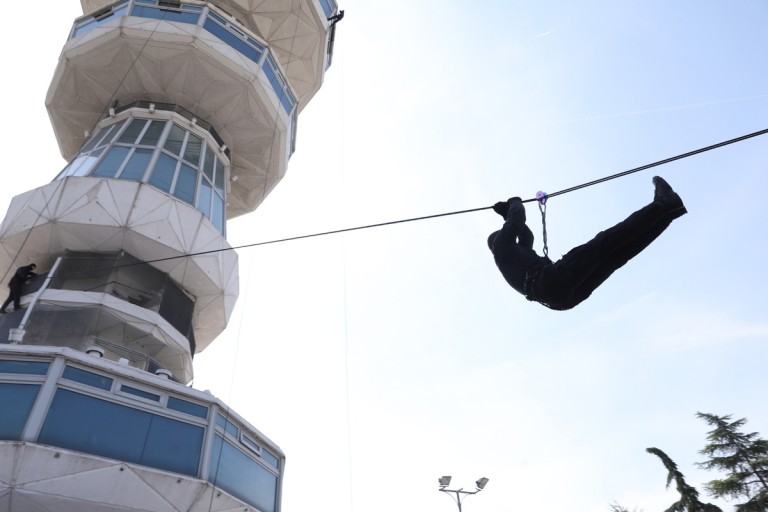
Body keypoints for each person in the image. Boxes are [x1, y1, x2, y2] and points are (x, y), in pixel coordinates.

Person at [487, 176, 686, 310]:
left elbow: (525, 235)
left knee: (615, 257)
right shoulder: (500, 248)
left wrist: (507, 214)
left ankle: (667, 213)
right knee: (602, 245)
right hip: (549, 281)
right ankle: (663, 204)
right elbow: (517, 220)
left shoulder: (516, 256)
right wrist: (513, 202)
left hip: (560, 298)